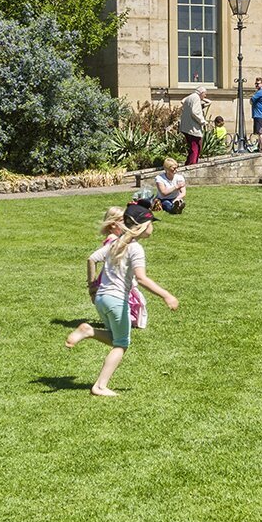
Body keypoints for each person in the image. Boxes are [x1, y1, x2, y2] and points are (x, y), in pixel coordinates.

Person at [65, 206, 179, 396]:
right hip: (117, 300)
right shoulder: (135, 248)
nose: (153, 228)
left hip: (102, 298)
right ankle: (100, 386)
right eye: (151, 224)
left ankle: (88, 331)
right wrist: (167, 295)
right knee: (121, 344)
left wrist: (92, 286)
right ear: (142, 226)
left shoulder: (115, 243)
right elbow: (141, 279)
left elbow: (91, 259)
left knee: (114, 336)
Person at [180, 85, 208, 165]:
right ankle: (192, 164)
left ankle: (189, 162)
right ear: (201, 93)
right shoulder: (196, 98)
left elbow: (183, 102)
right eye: (204, 94)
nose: (205, 96)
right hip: (192, 127)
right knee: (196, 147)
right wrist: (203, 121)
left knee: (192, 146)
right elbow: (195, 112)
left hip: (186, 127)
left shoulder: (190, 97)